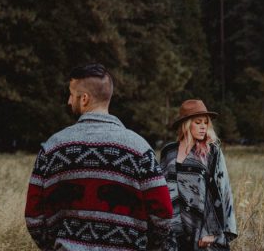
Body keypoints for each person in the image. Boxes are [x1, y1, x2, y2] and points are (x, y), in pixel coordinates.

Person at [24, 63, 173, 250]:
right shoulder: (139, 149)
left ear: (84, 98)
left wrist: (54, 246)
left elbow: (34, 216)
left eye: (71, 94)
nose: (69, 101)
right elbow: (164, 214)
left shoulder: (53, 148)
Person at [160, 99, 238, 250]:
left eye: (206, 123)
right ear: (186, 124)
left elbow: (223, 191)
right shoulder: (168, 152)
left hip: (203, 231)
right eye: (198, 122)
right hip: (172, 230)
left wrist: (212, 231)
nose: (203, 127)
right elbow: (160, 190)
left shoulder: (211, 152)